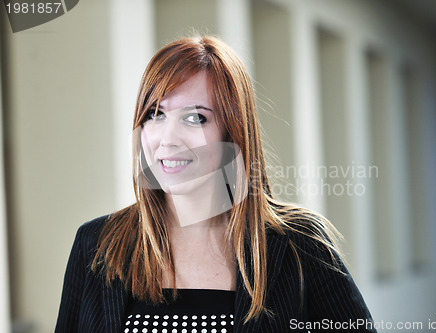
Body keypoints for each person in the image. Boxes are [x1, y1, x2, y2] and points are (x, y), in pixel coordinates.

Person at [55, 35, 376, 333]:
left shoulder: (299, 244)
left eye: (196, 117)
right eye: (155, 114)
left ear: (233, 130)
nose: (168, 139)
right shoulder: (97, 244)